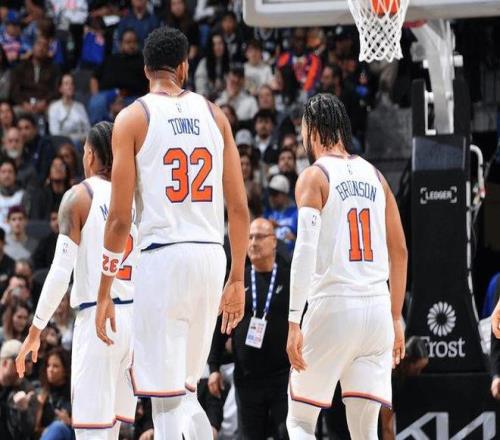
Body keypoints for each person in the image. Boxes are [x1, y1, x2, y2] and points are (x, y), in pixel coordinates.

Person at [94, 27, 249, 439]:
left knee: (164, 396)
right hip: (211, 257)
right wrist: (237, 277)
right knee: (187, 388)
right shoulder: (216, 116)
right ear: (183, 67)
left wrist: (105, 289)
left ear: (146, 70)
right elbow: (239, 208)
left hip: (164, 257)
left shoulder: (132, 118)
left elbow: (119, 219)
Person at [286, 94, 407, 440]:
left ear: (312, 130)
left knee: (300, 421)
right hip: (377, 311)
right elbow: (399, 251)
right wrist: (395, 317)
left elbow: (304, 251)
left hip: (334, 305)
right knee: (365, 431)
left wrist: (294, 320)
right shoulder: (377, 176)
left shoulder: (314, 176)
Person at [16, 121, 138, 439]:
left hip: (98, 318)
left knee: (90, 432)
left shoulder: (79, 197)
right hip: (132, 321)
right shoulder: (135, 196)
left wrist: (35, 329)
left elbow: (60, 272)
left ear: (91, 154)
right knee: (112, 431)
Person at [208, 218, 290, 440]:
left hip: (282, 377)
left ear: (274, 241)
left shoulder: (288, 278)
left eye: (260, 237)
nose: (253, 242)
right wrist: (213, 367)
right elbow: (220, 325)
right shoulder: (236, 280)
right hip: (247, 378)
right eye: (249, 237)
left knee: (286, 434)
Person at [380, 336, 428, 440]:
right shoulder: (388, 377)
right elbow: (386, 428)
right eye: (417, 369)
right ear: (406, 359)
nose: (418, 374)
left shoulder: (397, 377)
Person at [0, 339, 37, 440]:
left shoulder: (27, 389)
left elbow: (29, 431)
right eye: (19, 363)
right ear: (5, 363)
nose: (23, 368)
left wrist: (23, 410)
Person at [34, 347, 72, 439]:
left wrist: (69, 422)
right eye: (48, 365)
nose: (50, 370)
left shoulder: (73, 394)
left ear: (65, 370)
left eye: (55, 366)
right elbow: (34, 430)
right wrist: (39, 407)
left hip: (68, 434)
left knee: (59, 427)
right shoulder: (41, 392)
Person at [48, 74, 90, 146]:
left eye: (72, 84)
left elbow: (88, 130)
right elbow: (54, 133)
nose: (70, 86)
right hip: (62, 144)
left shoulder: (80, 107)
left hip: (81, 144)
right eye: (66, 84)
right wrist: (73, 139)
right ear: (60, 88)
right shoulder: (54, 107)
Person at [264, 174, 297, 255]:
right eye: (270, 193)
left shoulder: (296, 213)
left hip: (290, 257)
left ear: (285, 194)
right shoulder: (269, 215)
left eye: (275, 194)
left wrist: (295, 239)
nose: (271, 197)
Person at [0, 158, 25, 232]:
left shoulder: (23, 196)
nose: (7, 175)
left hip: (17, 236)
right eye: (3, 172)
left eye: (10, 172)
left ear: (15, 175)